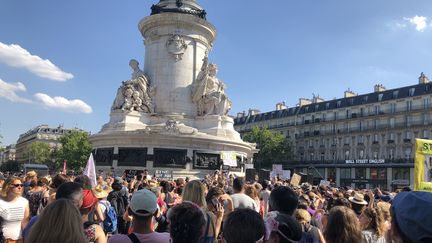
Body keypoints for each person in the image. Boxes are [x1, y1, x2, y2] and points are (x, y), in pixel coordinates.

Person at [0, 177, 30, 243]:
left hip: (19, 239)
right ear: (8, 187)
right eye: (17, 185)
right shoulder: (1, 201)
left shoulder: (24, 202)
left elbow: (25, 222)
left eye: (21, 185)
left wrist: (27, 237)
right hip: (3, 239)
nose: (20, 187)